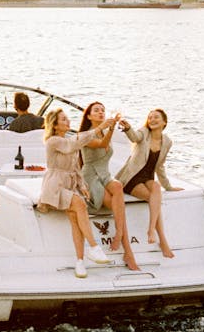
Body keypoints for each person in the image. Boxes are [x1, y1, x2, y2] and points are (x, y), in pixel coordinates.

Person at [38, 106, 112, 278]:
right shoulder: (54, 141)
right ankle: (93, 247)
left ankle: (79, 262)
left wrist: (83, 185)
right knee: (79, 204)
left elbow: (75, 168)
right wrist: (99, 128)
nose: (68, 121)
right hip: (54, 186)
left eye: (67, 118)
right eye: (64, 119)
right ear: (55, 125)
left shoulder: (69, 139)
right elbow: (72, 145)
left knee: (75, 219)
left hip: (69, 185)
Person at [79, 102, 139, 272]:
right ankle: (128, 252)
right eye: (96, 110)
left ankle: (119, 233)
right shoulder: (85, 135)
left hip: (105, 174)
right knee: (117, 207)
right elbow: (102, 145)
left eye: (103, 110)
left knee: (118, 186)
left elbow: (105, 142)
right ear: (88, 116)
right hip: (91, 176)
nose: (101, 112)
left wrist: (110, 127)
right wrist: (110, 127)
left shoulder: (105, 131)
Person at [116, 108, 182, 258]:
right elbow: (134, 137)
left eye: (156, 117)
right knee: (153, 199)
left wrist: (169, 187)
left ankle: (151, 229)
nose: (152, 119)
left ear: (164, 122)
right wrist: (127, 128)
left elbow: (159, 166)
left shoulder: (167, 141)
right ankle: (161, 239)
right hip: (132, 178)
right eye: (150, 117)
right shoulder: (144, 132)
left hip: (148, 177)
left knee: (156, 188)